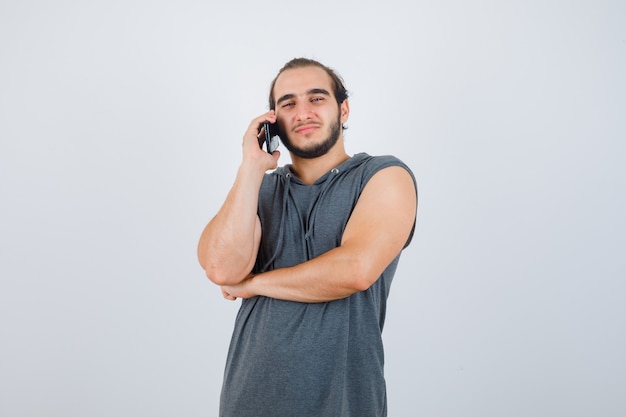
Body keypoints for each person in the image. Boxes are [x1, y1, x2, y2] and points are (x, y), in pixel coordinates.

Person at [197, 57, 418, 417]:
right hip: (247, 401)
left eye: (316, 98)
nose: (302, 112)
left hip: (342, 404)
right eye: (288, 103)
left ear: (343, 109)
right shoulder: (259, 190)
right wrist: (251, 167)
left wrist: (254, 285)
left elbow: (355, 271)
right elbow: (221, 268)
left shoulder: (383, 176)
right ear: (273, 122)